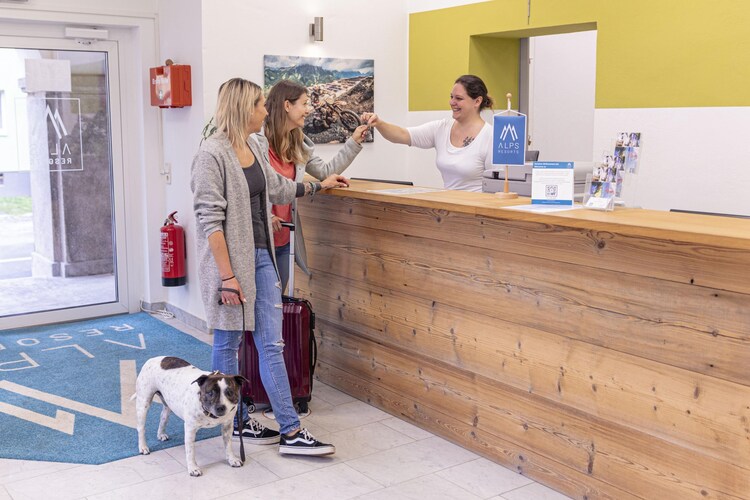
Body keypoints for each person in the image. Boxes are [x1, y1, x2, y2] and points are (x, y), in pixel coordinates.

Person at [191, 77, 348, 456]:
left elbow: (278, 187)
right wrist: (227, 277)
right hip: (228, 266)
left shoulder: (256, 145)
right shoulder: (211, 155)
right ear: (244, 109)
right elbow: (210, 222)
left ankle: (291, 431)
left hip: (262, 257)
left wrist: (318, 186)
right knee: (228, 343)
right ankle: (234, 421)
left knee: (271, 344)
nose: (266, 110)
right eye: (261, 104)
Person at [263, 79, 368, 293]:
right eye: (303, 104)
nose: (308, 109)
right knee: (262, 303)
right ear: (287, 105)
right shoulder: (258, 142)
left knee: (276, 301)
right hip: (261, 240)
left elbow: (326, 171)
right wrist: (266, 213)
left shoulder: (297, 142)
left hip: (285, 237)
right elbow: (247, 187)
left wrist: (354, 141)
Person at [361, 74, 494, 192]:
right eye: (451, 97)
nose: (452, 102)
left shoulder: (490, 136)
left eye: (459, 98)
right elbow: (402, 135)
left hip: (476, 208)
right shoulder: (441, 128)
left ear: (477, 101)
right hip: (450, 206)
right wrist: (379, 123)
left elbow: (497, 185)